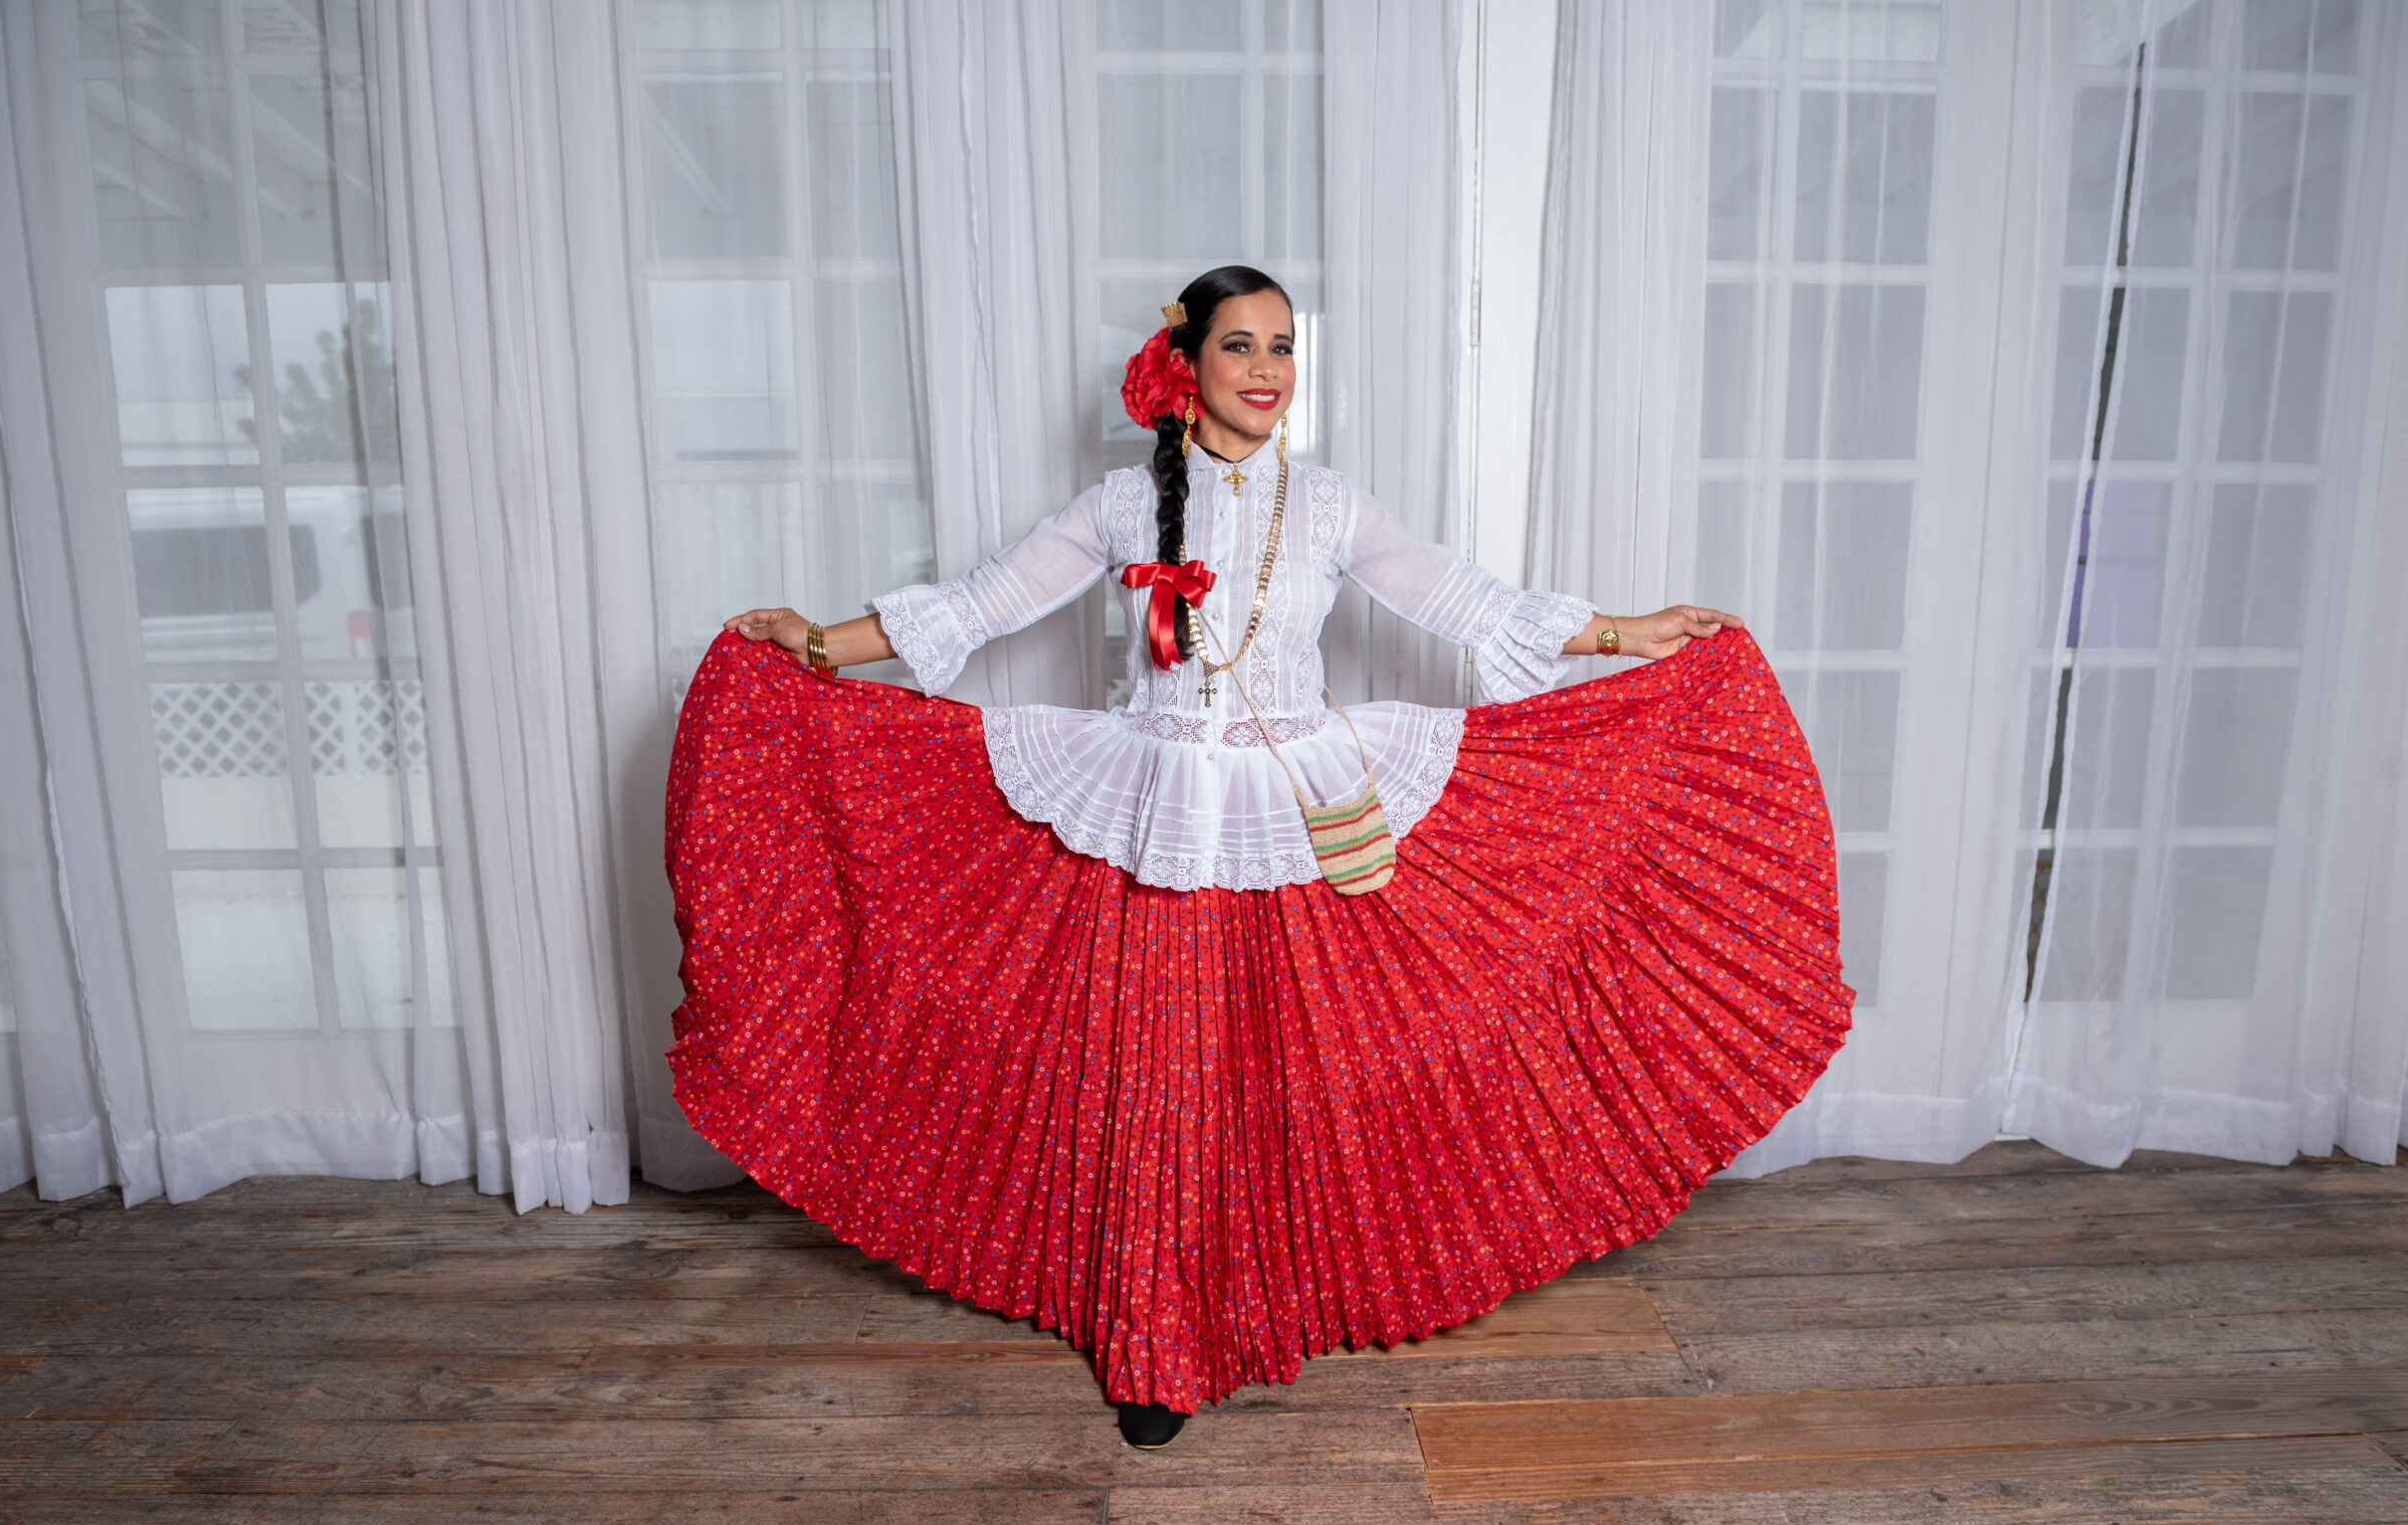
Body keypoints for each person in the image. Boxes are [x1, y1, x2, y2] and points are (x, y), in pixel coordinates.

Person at [666, 264, 1852, 1451]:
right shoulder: (1122, 505)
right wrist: (817, 642)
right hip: (1161, 804)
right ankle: (1156, 1337)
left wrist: (1629, 633)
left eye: (1284, 349)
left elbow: (1467, 602)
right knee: (1160, 1081)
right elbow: (979, 605)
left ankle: (1276, 1291)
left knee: (1295, 1072)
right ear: (1185, 367)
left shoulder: (1328, 505)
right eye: (1242, 347)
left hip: (1298, 807)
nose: (1268, 373)